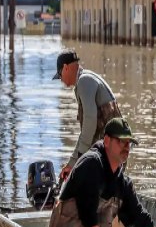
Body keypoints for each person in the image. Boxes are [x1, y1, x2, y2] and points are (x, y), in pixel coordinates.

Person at [52, 48, 122, 180]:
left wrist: (76, 161)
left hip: (111, 152)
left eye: (60, 75)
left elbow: (89, 124)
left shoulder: (84, 82)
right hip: (113, 150)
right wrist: (73, 162)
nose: (61, 80)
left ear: (66, 67)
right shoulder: (87, 79)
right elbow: (87, 132)